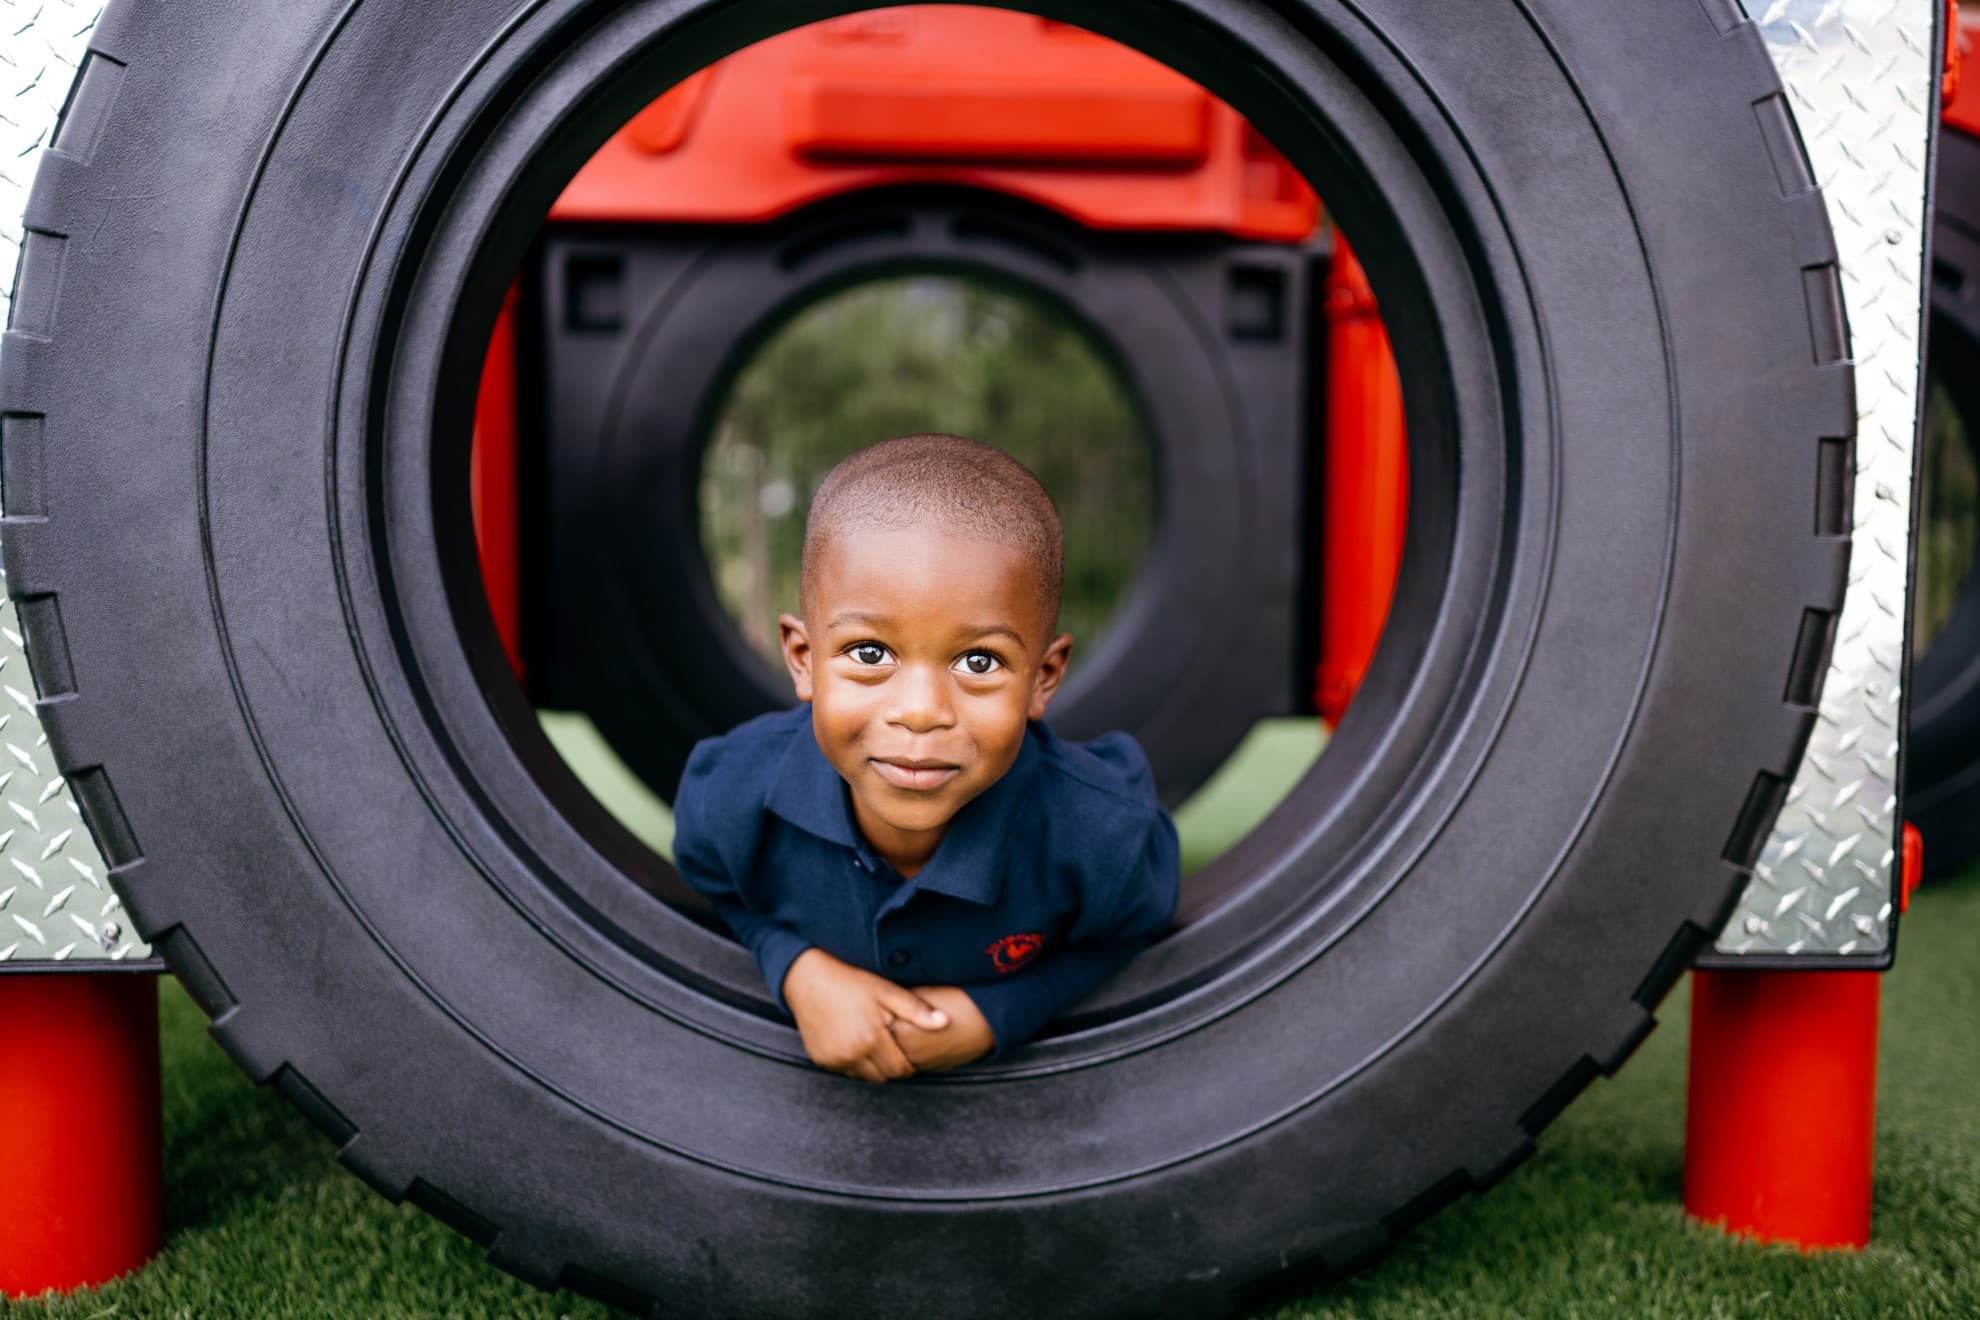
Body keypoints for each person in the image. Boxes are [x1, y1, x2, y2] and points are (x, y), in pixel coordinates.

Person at [672, 433, 1179, 1083]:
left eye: (979, 662)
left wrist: (999, 1010)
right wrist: (796, 967)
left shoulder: (1103, 835)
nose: (919, 710)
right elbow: (712, 885)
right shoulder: (732, 796)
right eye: (870, 653)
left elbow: (1133, 930)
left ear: (1043, 677)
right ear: (803, 659)